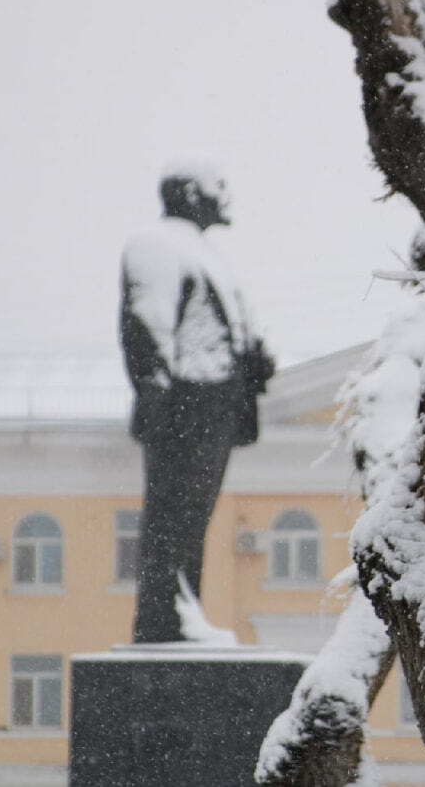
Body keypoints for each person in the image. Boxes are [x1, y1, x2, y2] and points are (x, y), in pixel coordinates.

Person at [119, 162, 274, 643]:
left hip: (213, 408)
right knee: (172, 518)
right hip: (184, 407)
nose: (226, 196)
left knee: (192, 519)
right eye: (217, 187)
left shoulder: (204, 252)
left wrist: (256, 360)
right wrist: (158, 400)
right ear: (188, 192)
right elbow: (148, 327)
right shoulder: (156, 245)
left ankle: (183, 612)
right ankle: (164, 618)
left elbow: (225, 327)